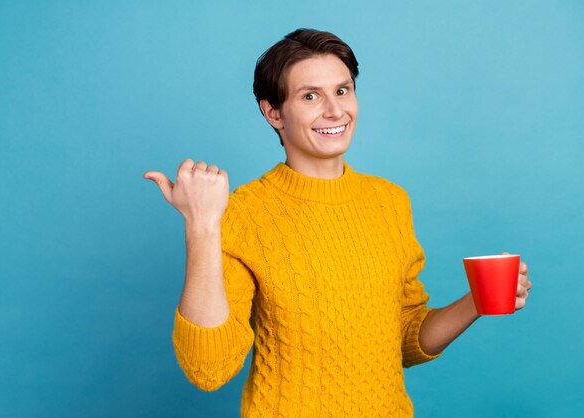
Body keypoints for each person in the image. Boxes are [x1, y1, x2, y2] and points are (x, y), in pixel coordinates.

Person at [143, 28, 532, 417]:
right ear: (273, 112)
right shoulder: (245, 212)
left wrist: (476, 304)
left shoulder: (389, 202)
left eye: (342, 90)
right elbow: (207, 369)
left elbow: (404, 339)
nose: (334, 110)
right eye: (310, 96)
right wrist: (202, 225)